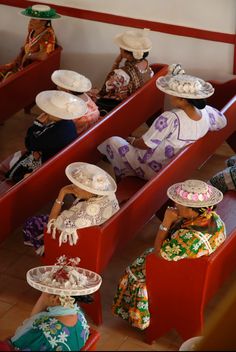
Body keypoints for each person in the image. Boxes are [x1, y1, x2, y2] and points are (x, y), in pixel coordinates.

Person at [112, 179, 226, 330]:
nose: (175, 204)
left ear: (192, 209)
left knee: (134, 272)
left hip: (181, 273)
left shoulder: (189, 239)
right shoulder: (213, 218)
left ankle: (140, 319)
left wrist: (166, 222)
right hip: (199, 269)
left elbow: (158, 253)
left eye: (180, 203)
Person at [97, 65, 227, 181]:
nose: (169, 97)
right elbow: (222, 122)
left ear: (182, 100)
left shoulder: (171, 118)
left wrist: (131, 140)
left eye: (172, 94)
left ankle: (125, 175)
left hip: (153, 170)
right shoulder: (206, 112)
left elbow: (145, 144)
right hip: (174, 168)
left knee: (113, 141)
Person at [7, 255, 102, 351]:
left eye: (44, 289)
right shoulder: (80, 315)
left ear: (55, 298)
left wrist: (43, 300)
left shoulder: (43, 334)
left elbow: (16, 344)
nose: (42, 293)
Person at [23, 162, 120, 255]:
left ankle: (42, 247)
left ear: (89, 190)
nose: (73, 187)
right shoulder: (109, 195)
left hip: (73, 245)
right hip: (96, 238)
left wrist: (62, 193)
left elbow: (52, 225)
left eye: (77, 185)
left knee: (31, 222)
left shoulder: (81, 213)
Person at [5, 90, 85, 182]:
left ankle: (11, 179)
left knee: (12, 175)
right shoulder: (68, 123)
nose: (45, 111)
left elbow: (29, 145)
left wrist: (36, 124)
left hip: (44, 161)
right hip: (53, 155)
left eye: (50, 109)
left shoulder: (56, 133)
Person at [96, 28, 153, 115]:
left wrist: (116, 62)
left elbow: (106, 88)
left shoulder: (122, 74)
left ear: (128, 55)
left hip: (122, 108)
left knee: (91, 95)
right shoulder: (146, 65)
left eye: (122, 48)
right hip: (137, 103)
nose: (120, 49)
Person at [0, 4, 60, 82]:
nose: (31, 21)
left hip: (30, 71)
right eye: (31, 18)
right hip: (21, 65)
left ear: (44, 21)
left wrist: (29, 56)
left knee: (6, 81)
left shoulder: (48, 34)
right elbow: (28, 46)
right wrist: (21, 56)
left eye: (34, 19)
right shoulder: (32, 30)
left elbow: (43, 56)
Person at [51, 69, 100, 134]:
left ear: (66, 91)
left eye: (59, 87)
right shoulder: (85, 96)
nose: (58, 87)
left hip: (72, 132)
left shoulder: (68, 106)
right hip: (87, 129)